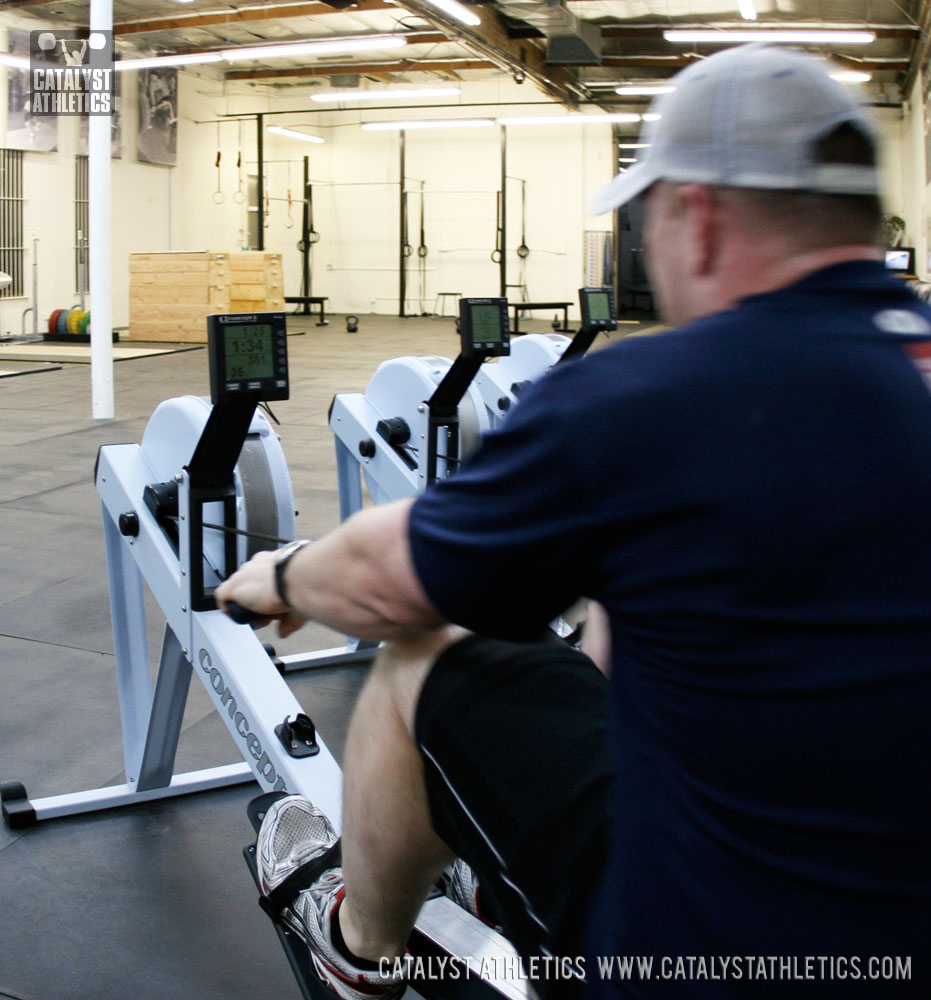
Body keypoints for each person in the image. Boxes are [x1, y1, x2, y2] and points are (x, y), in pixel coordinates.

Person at [217, 44, 931, 999]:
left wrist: (286, 575)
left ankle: (355, 949)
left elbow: (387, 581)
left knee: (432, 651)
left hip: (709, 957)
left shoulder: (649, 395)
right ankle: (476, 830)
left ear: (698, 218)